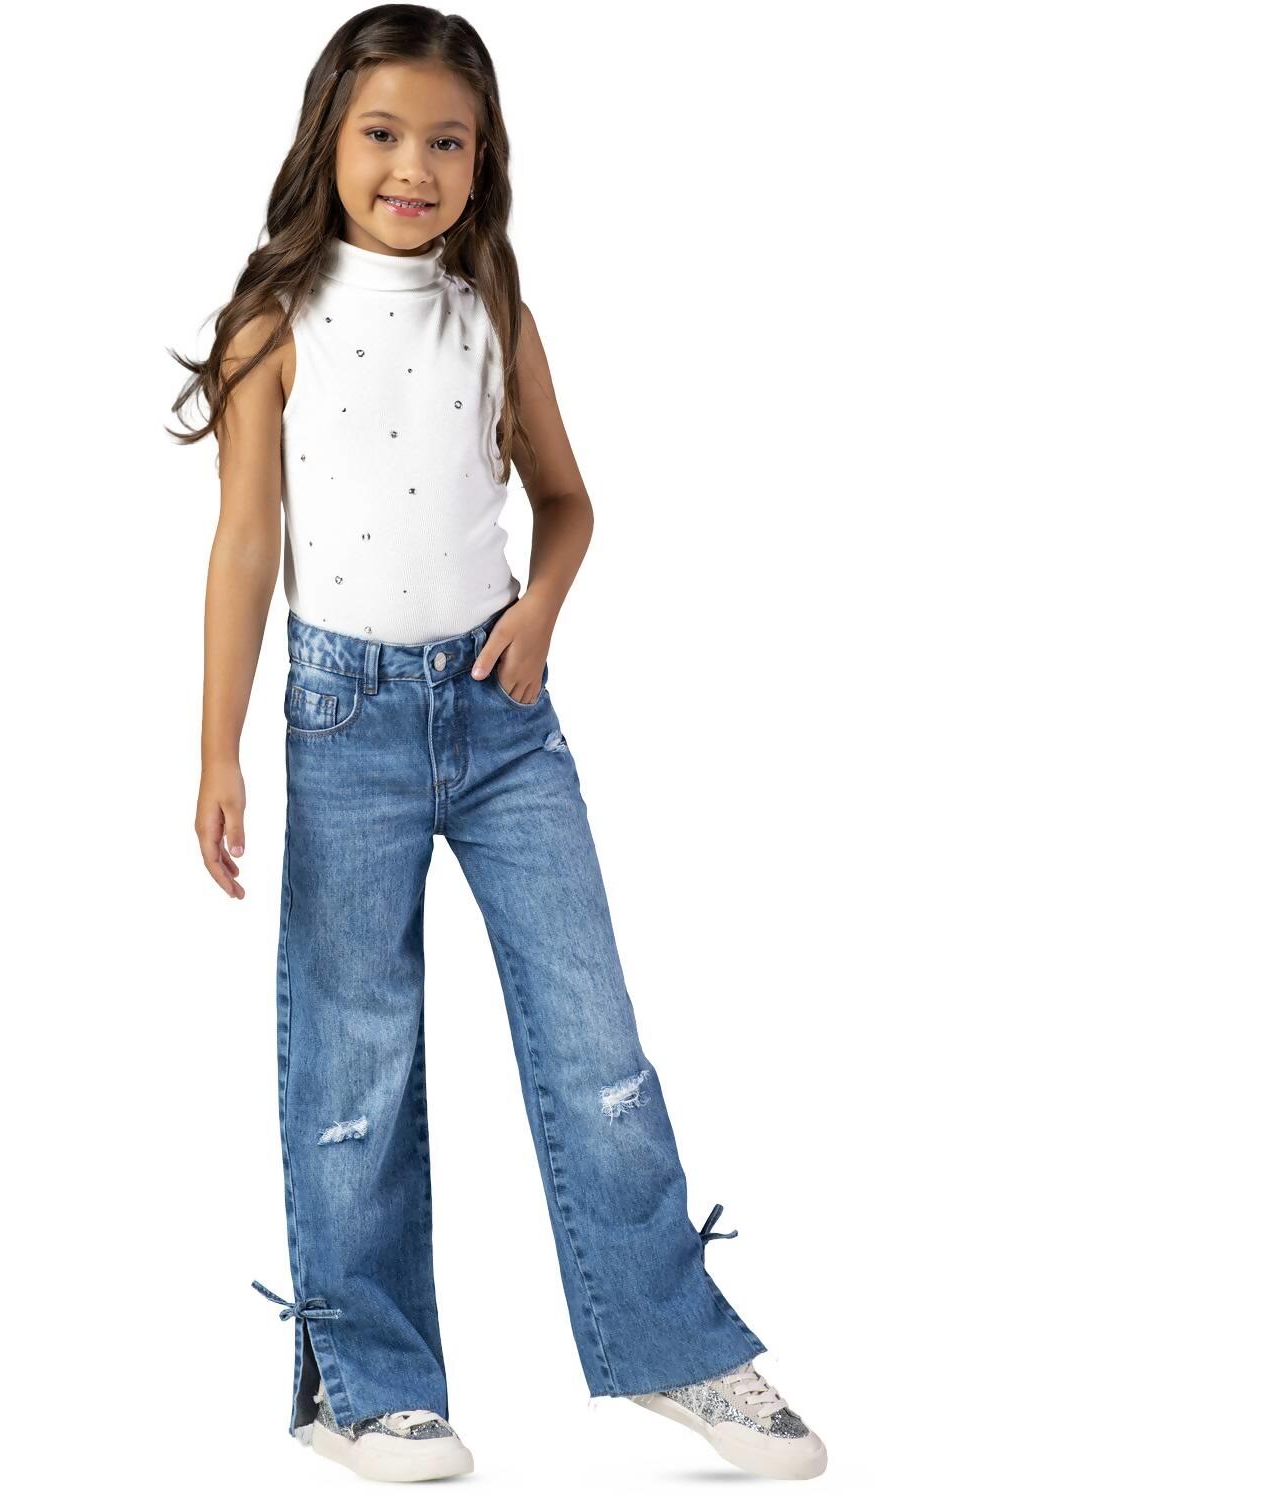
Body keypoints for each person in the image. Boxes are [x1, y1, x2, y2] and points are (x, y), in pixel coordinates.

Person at [171, 5, 827, 1483]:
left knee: (595, 1041)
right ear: (329, 142)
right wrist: (218, 752)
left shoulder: (494, 318)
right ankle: (365, 1383)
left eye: (446, 142)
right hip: (342, 721)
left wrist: (540, 611)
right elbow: (243, 548)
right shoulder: (273, 324)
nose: (413, 167)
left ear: (483, 160)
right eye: (382, 135)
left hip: (504, 721)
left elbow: (571, 503)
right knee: (357, 1060)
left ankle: (679, 1349)